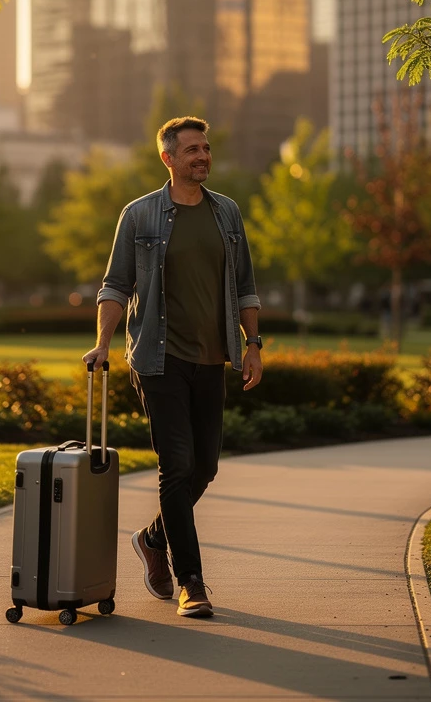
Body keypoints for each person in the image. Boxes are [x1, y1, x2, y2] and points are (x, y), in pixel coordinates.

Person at [83, 116, 262, 619]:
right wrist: (101, 343)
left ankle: (150, 537)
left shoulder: (226, 213)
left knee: (204, 467)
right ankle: (192, 582)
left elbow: (245, 285)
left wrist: (253, 344)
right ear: (168, 158)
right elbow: (115, 285)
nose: (202, 157)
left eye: (205, 149)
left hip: (212, 358)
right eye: (191, 150)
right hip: (158, 360)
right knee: (176, 466)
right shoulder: (139, 216)